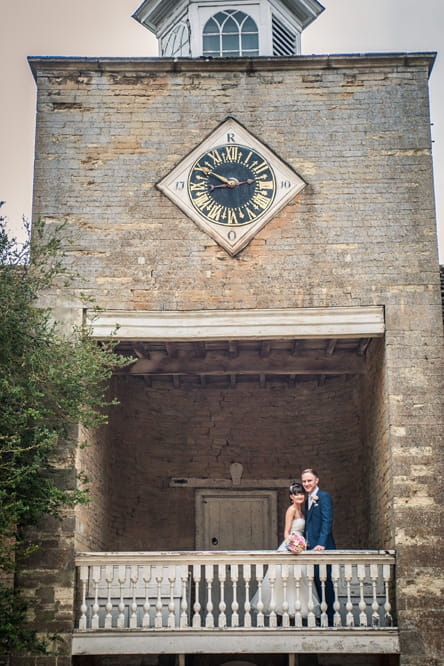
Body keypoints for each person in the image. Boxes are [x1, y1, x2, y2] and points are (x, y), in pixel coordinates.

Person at [252, 483, 319, 623]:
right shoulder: (291, 510)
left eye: (301, 493)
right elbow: (286, 533)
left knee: (299, 583)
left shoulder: (302, 511)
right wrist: (293, 546)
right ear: (291, 496)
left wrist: (304, 544)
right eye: (296, 494)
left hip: (302, 547)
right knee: (284, 583)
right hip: (291, 547)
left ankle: (296, 617)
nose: (299, 496)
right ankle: (280, 619)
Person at [301, 468, 336, 625]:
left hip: (323, 547)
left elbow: (327, 521)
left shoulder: (323, 497)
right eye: (304, 481)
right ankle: (320, 617)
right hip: (310, 549)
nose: (306, 484)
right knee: (315, 582)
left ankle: (330, 618)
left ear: (317, 480)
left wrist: (321, 543)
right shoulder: (307, 499)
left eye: (309, 480)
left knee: (325, 581)